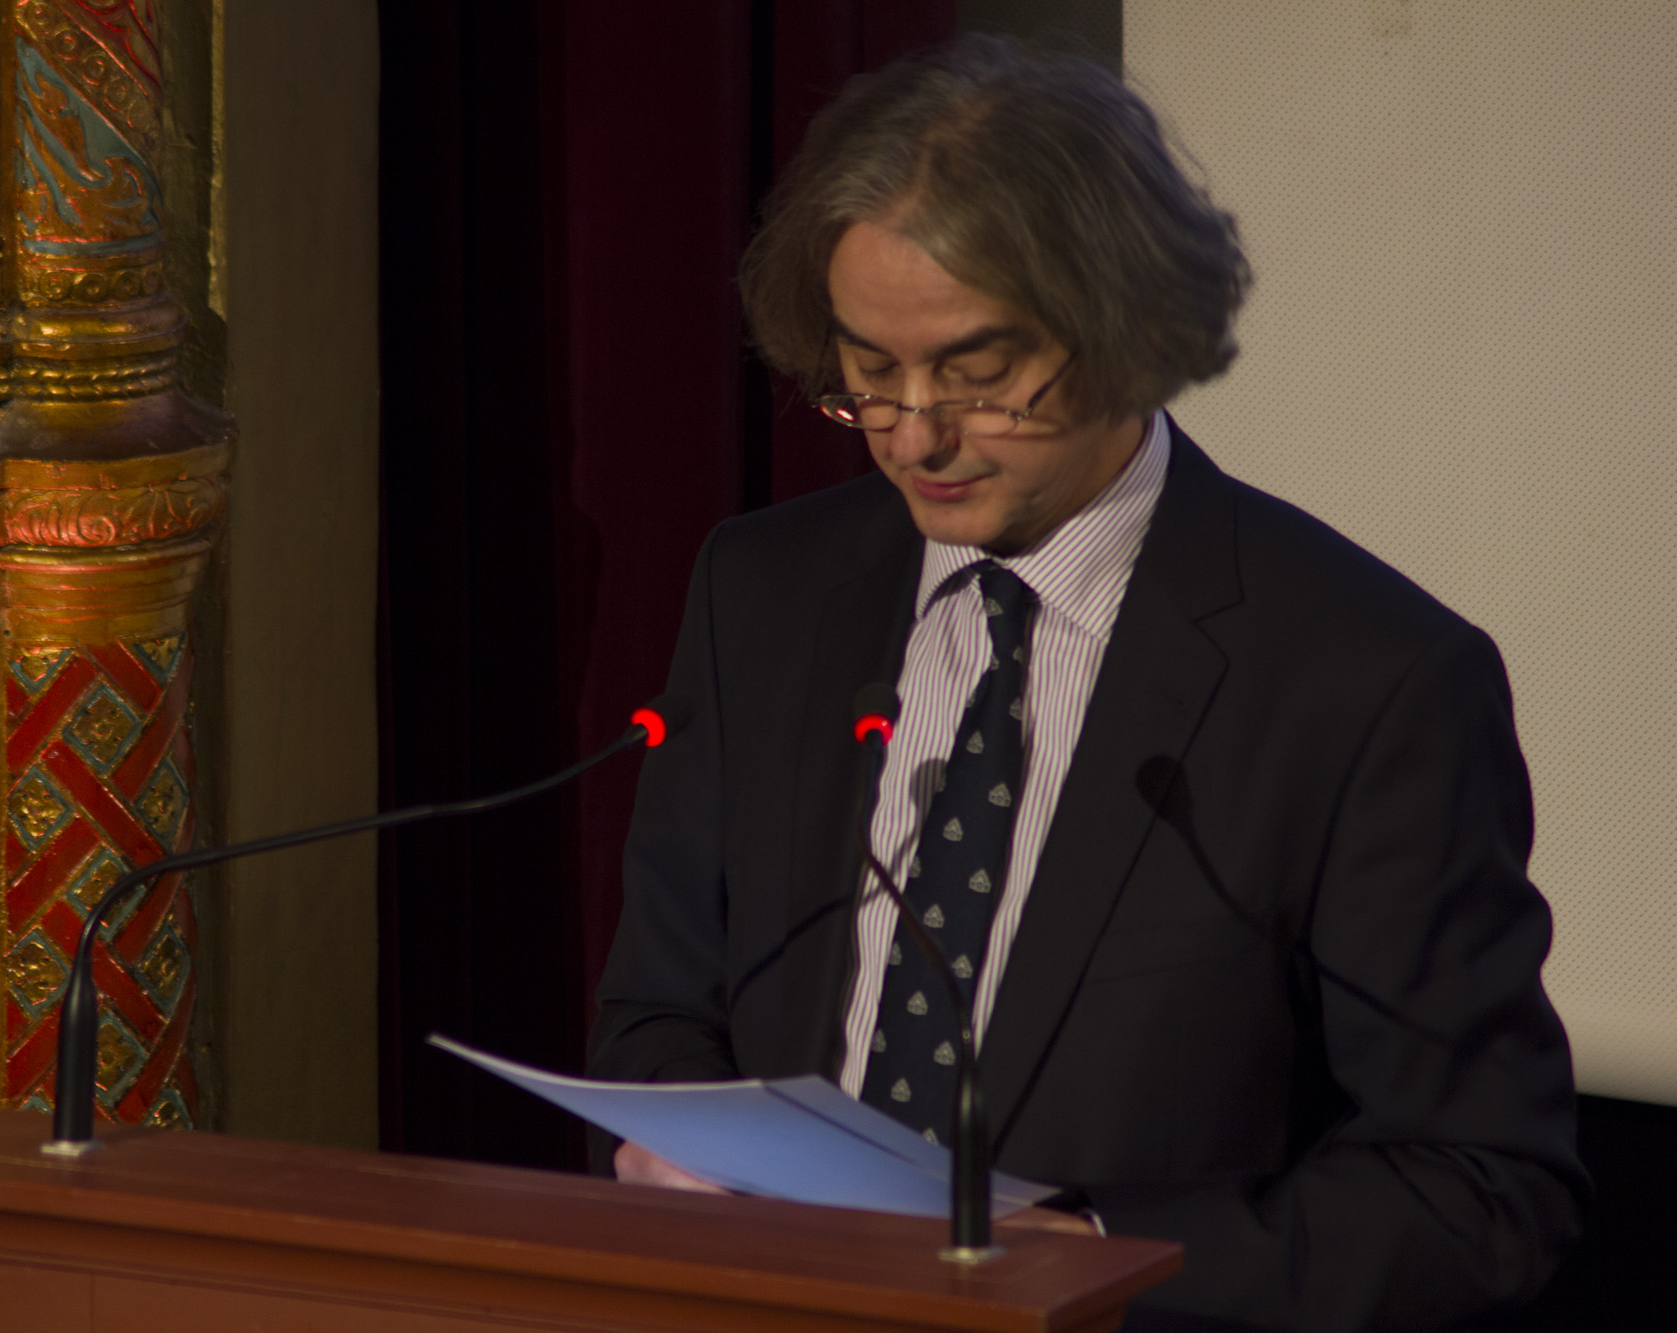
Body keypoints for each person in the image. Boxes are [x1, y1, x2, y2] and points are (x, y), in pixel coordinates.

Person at [585, 35, 1588, 1333]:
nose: (916, 436)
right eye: (869, 375)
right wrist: (679, 1159)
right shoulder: (764, 594)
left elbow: (1480, 1190)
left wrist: (1096, 1258)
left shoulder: (1368, 679)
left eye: (977, 376)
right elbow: (661, 1014)